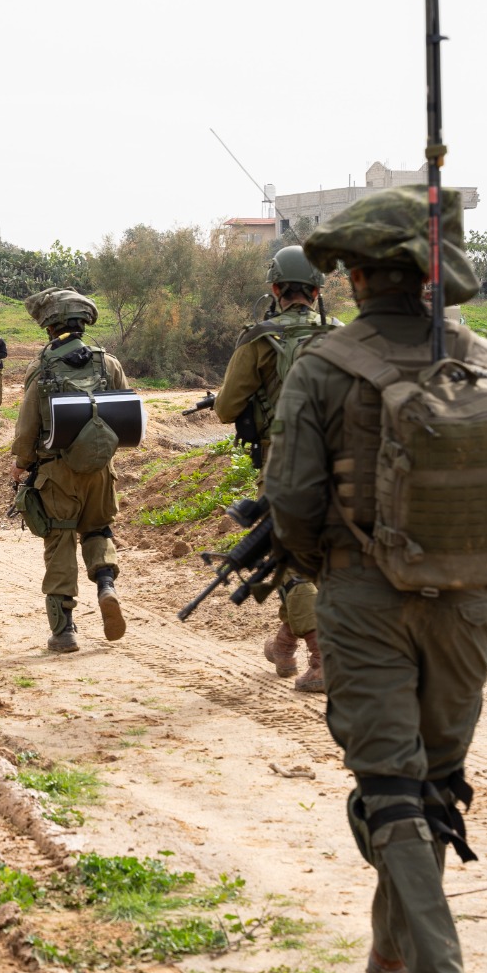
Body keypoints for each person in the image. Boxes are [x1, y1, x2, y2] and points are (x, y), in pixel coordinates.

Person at [265, 187, 487, 973]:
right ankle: (390, 955)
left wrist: (334, 569)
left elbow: (291, 500)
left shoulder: (324, 366)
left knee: (390, 790)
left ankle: (435, 963)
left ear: (354, 276)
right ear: (431, 273)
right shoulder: (485, 360)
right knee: (434, 788)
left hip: (364, 602)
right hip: (470, 602)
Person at [214, 245, 339, 692]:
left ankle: (323, 659)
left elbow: (225, 409)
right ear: (317, 291)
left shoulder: (259, 339)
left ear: (274, 289)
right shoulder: (343, 336)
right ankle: (284, 644)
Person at [11, 288, 129, 653]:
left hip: (57, 472)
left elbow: (27, 428)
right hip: (100, 471)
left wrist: (20, 465)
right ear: (82, 323)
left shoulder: (42, 367)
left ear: (49, 326)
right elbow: (124, 412)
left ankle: (64, 631)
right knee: (98, 529)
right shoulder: (108, 363)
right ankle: (106, 585)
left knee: (60, 539)